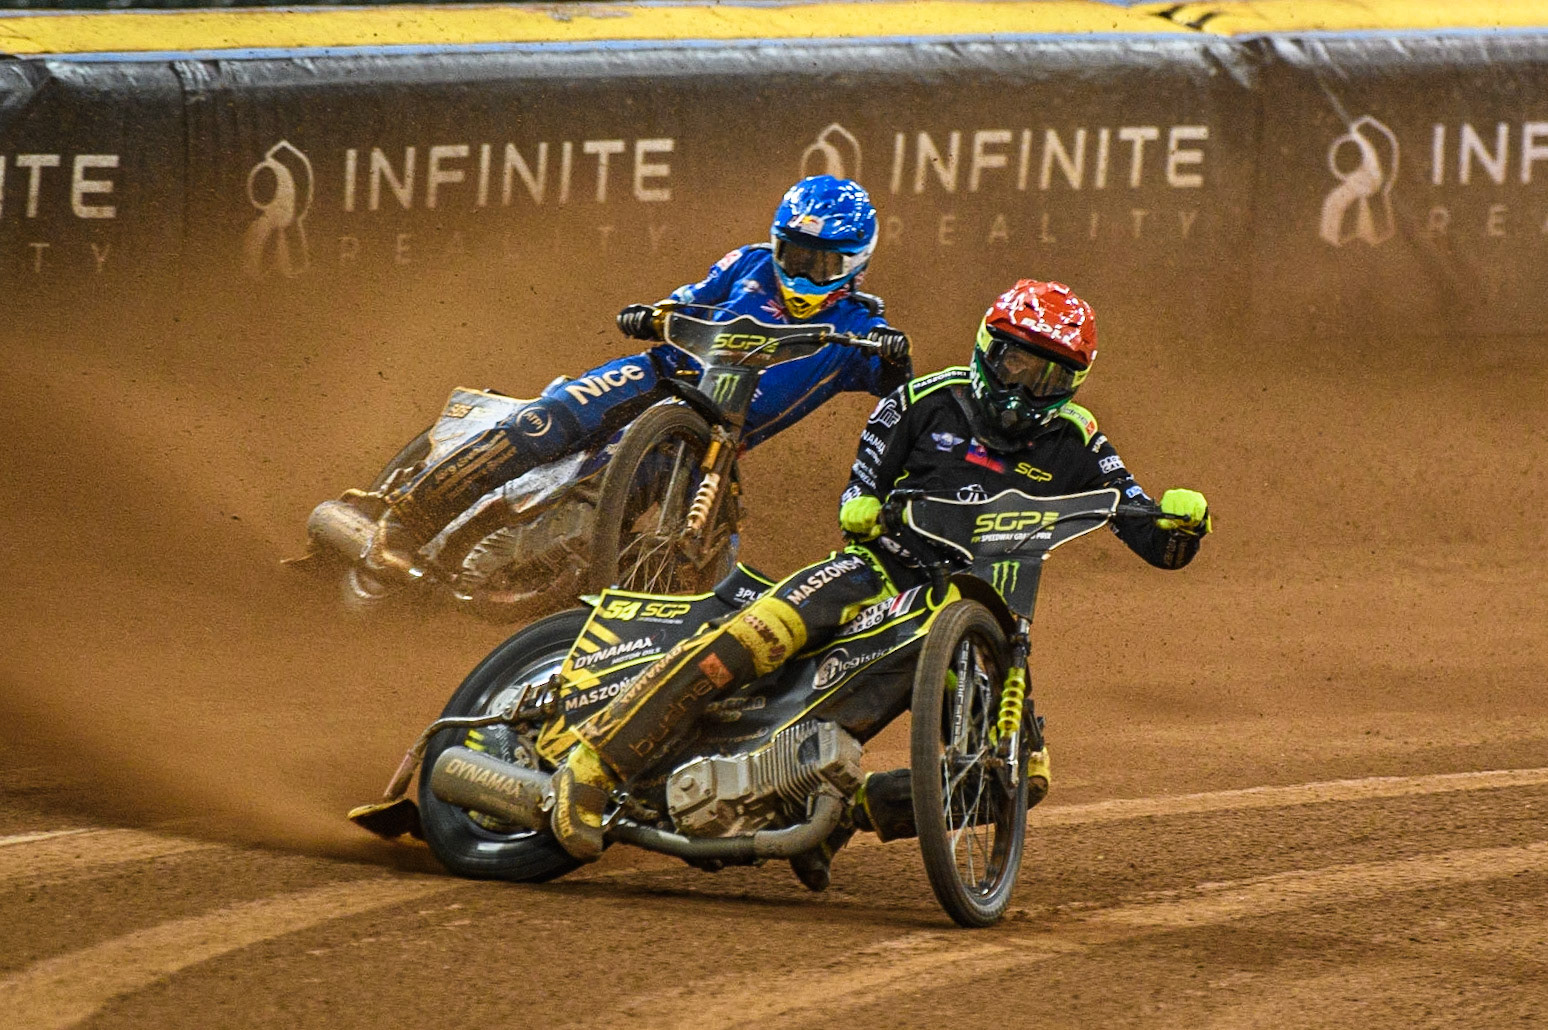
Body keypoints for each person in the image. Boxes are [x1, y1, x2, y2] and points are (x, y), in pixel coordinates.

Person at [547, 278, 1214, 890]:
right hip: (877, 571)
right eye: (1016, 363)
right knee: (759, 633)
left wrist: (1180, 523)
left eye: (1049, 377)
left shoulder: (1078, 438)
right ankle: (594, 765)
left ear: (1073, 383)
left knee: (1018, 776)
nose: (1024, 389)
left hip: (983, 616)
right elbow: (859, 491)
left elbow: (1151, 535)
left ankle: (847, 815)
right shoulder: (922, 402)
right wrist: (861, 509)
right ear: (988, 350)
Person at [367, 174, 912, 572]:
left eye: (820, 262)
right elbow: (687, 299)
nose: (801, 271)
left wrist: (893, 356)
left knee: (640, 531)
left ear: (854, 263)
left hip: (708, 443)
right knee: (544, 423)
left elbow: (900, 396)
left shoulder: (860, 328)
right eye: (792, 254)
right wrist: (652, 315)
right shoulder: (749, 263)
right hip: (659, 373)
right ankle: (404, 519)